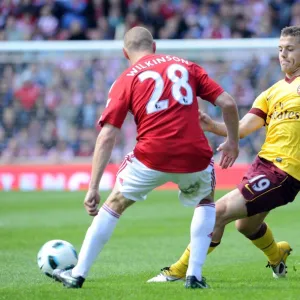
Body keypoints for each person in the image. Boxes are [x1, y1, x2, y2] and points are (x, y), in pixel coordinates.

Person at [52, 26, 239, 289]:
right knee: (206, 200)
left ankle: (78, 273)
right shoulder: (187, 66)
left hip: (151, 155)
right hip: (194, 155)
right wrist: (232, 142)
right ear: (154, 46)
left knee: (115, 203)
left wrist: (93, 187)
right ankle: (194, 276)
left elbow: (107, 136)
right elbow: (228, 103)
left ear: (124, 52)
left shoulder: (125, 79)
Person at [147, 25, 300, 283]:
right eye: (280, 49)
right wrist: (212, 125)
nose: (283, 55)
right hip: (263, 165)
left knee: (217, 211)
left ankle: (180, 270)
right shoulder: (271, 93)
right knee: (246, 225)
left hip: (285, 171)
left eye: (290, 49)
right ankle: (277, 255)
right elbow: (241, 129)